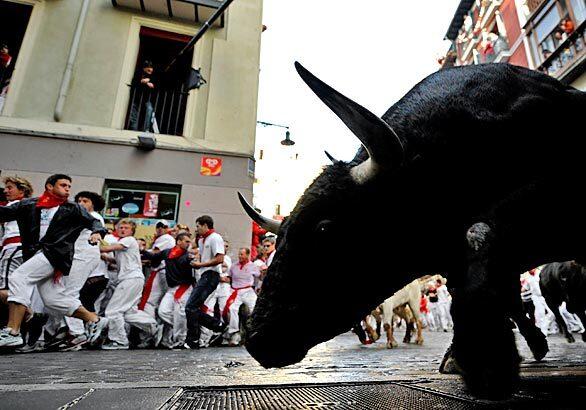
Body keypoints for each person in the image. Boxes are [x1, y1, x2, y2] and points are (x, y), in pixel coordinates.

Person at [0, 174, 108, 347]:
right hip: (37, 254)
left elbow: (94, 222)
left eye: (69, 186)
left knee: (19, 277)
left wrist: (97, 233)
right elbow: (5, 213)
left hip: (55, 253)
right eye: (63, 185)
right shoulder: (30, 204)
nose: (67, 189)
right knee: (52, 299)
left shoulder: (72, 208)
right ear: (49, 186)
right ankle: (93, 319)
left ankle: (12, 331)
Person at [43, 191, 107, 350]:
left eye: (85, 200)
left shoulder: (94, 216)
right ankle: (67, 330)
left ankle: (79, 332)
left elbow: (97, 228)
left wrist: (96, 234)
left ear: (93, 204)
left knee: (68, 294)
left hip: (83, 257)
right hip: (76, 258)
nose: (81, 203)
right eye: (79, 200)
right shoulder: (78, 217)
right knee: (61, 293)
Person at [99, 219, 163, 349]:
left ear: (132, 231)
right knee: (129, 313)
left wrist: (94, 241)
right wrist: (106, 257)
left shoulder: (129, 240)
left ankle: (120, 341)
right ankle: (153, 326)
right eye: (121, 227)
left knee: (113, 310)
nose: (123, 229)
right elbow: (118, 261)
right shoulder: (124, 243)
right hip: (133, 279)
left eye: (126, 227)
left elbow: (107, 248)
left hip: (130, 279)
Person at [143, 232, 195, 348]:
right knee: (163, 312)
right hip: (172, 288)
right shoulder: (167, 252)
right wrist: (142, 251)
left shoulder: (187, 256)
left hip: (183, 287)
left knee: (179, 313)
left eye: (189, 242)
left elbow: (189, 263)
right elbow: (154, 257)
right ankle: (187, 329)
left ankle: (180, 340)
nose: (188, 244)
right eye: (186, 241)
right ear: (179, 241)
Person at [184, 215, 226, 348]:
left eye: (198, 226)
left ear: (205, 225)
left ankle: (194, 339)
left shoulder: (215, 237)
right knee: (192, 307)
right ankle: (216, 326)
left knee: (191, 307)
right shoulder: (202, 240)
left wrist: (200, 265)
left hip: (211, 275)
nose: (196, 229)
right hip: (205, 275)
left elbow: (220, 259)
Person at [0, 176, 33, 304]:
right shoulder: (32, 206)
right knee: (18, 286)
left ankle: (25, 312)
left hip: (12, 248)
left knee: (5, 289)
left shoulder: (14, 205)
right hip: (25, 249)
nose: (5, 191)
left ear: (22, 191)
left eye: (10, 188)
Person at [138, 220, 175, 318]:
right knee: (161, 303)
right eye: (158, 226)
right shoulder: (163, 238)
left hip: (161, 271)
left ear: (167, 228)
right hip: (164, 271)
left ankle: (149, 327)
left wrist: (140, 250)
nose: (160, 228)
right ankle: (158, 329)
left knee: (149, 301)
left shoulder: (166, 237)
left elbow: (154, 253)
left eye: (163, 226)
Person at [224, 247, 260, 346]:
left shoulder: (253, 266)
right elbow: (229, 277)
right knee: (232, 309)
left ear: (247, 255)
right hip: (236, 291)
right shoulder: (234, 266)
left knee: (255, 307)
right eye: (239, 254)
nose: (240, 256)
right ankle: (234, 333)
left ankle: (255, 330)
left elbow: (258, 277)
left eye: (242, 254)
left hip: (248, 290)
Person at [129, 60, 156, 131]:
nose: (151, 69)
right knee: (134, 115)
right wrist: (143, 82)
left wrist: (149, 83)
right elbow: (134, 82)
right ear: (144, 68)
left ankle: (146, 129)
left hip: (146, 99)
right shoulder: (138, 74)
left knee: (149, 109)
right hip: (136, 98)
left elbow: (154, 85)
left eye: (151, 68)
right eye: (148, 67)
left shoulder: (152, 77)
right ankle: (133, 129)